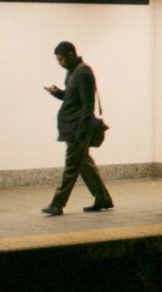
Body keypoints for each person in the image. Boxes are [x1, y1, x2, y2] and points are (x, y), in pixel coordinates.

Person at [41, 40, 113, 216]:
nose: (60, 63)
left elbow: (88, 106)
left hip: (77, 130)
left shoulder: (83, 73)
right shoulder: (72, 73)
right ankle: (102, 198)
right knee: (84, 165)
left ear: (71, 55)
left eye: (61, 60)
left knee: (71, 167)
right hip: (72, 127)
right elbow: (71, 98)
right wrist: (57, 92)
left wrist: (81, 131)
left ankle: (57, 204)